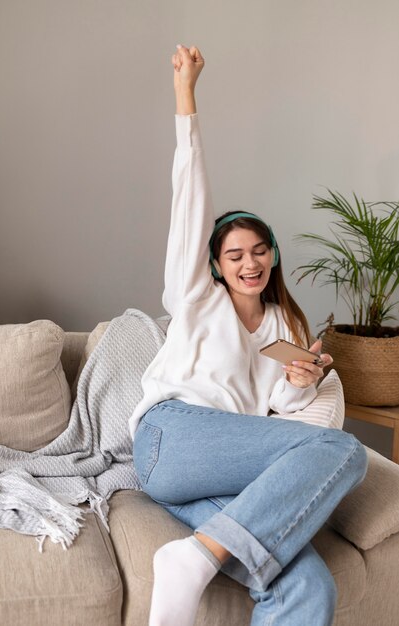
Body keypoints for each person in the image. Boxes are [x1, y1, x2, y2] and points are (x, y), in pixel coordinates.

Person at [130, 45, 368, 626]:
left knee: (309, 587)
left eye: (260, 250)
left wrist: (301, 383)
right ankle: (189, 563)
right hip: (173, 439)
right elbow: (190, 199)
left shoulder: (286, 324)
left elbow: (279, 413)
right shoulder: (195, 299)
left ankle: (194, 557)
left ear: (274, 257)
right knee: (343, 449)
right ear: (214, 265)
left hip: (225, 473)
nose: (249, 262)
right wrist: (187, 95)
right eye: (234, 254)